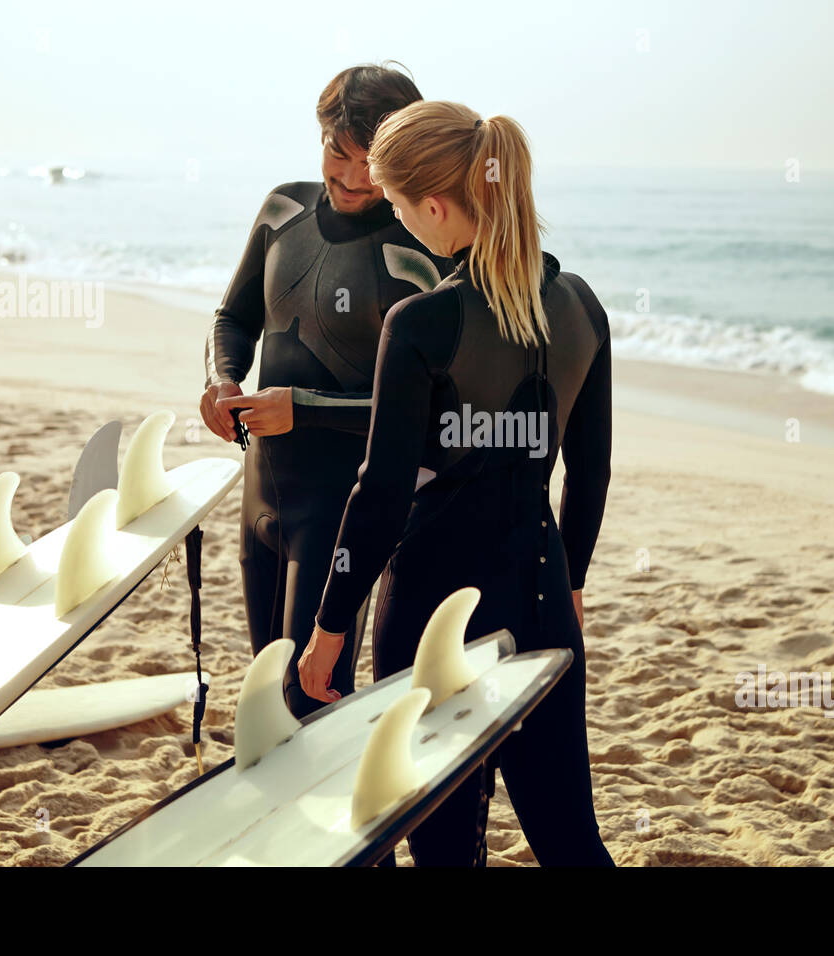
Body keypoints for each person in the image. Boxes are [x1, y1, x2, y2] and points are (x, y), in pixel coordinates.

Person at [298, 100, 614, 866]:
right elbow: (592, 469)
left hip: (431, 610)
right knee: (571, 841)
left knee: (444, 849)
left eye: (403, 209)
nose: (403, 225)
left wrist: (327, 628)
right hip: (541, 597)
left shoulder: (420, 324)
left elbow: (380, 492)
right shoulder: (581, 308)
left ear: (437, 206)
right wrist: (571, 580)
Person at [199, 64, 451, 720]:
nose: (350, 178)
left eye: (372, 166)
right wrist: (221, 379)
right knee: (265, 689)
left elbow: (424, 412)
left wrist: (301, 410)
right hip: (263, 491)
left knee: (309, 698)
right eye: (338, 154)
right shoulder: (283, 209)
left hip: (342, 510)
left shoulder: (415, 249)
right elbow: (234, 319)